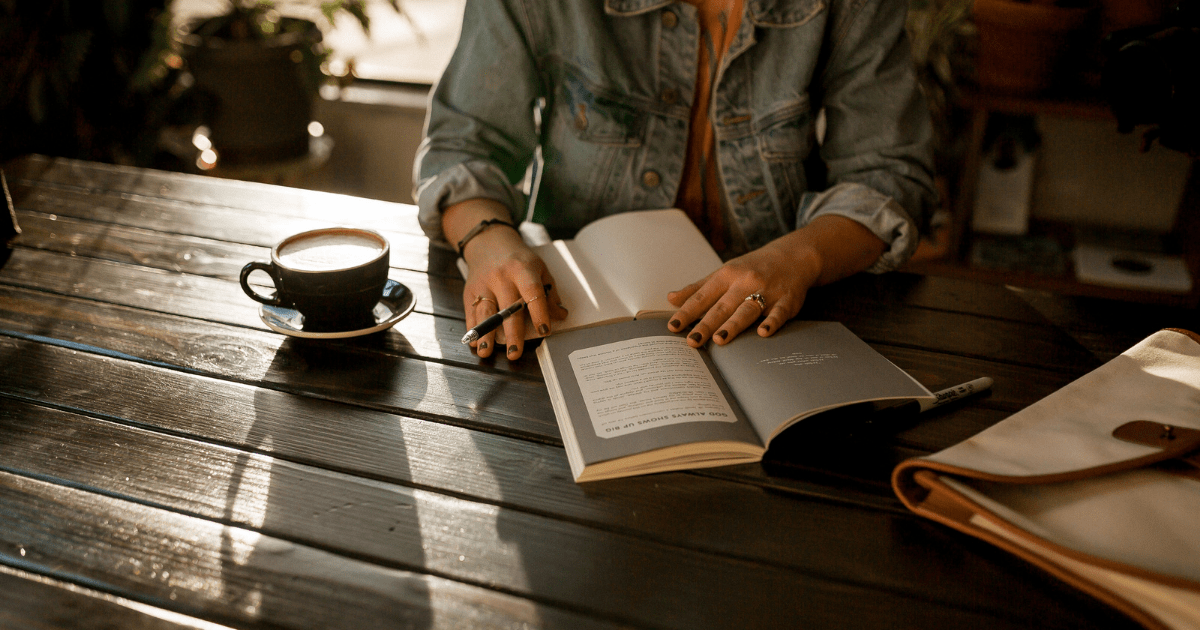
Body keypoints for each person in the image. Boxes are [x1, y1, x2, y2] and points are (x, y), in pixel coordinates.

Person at [415, 0, 937, 360]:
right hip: (572, 313)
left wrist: (797, 258)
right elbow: (465, 141)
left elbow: (887, 175)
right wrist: (489, 242)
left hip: (779, 321)